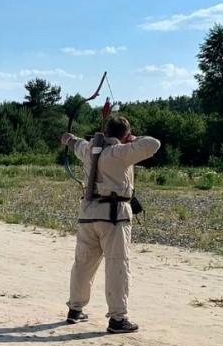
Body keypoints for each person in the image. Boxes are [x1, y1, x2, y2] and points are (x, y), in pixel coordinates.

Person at [61, 115, 160, 333]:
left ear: (105, 132)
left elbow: (73, 141)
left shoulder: (88, 150)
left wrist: (69, 139)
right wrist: (133, 139)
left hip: (88, 215)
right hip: (113, 217)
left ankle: (75, 310)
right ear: (124, 135)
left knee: (83, 263)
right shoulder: (120, 152)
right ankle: (117, 319)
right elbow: (154, 144)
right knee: (117, 265)